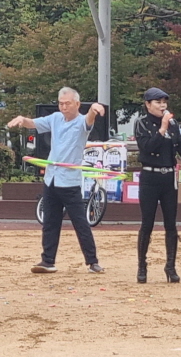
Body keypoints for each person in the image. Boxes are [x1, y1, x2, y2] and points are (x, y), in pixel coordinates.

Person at [6, 87, 106, 274]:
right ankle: (48, 260)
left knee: (80, 222)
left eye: (67, 103)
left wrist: (94, 108)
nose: (64, 107)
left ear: (77, 104)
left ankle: (92, 261)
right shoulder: (55, 118)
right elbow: (33, 123)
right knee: (50, 221)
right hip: (51, 178)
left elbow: (89, 119)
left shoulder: (81, 123)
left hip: (70, 181)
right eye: (61, 103)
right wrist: (22, 119)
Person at [131, 87, 181, 284]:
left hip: (169, 178)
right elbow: (147, 147)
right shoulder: (142, 124)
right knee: (147, 223)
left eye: (164, 102)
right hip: (149, 177)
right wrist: (161, 128)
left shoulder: (172, 124)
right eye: (158, 102)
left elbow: (180, 145)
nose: (162, 106)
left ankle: (170, 266)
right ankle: (142, 266)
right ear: (148, 104)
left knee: (171, 224)